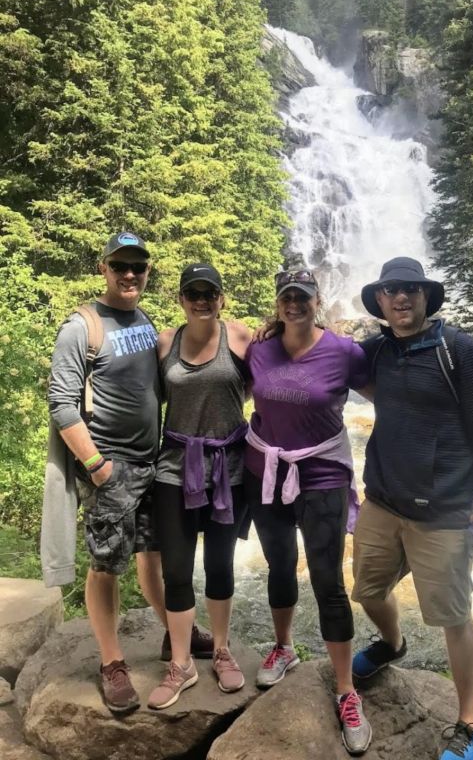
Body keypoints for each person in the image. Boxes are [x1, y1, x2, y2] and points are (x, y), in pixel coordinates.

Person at [46, 233, 212, 715]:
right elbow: (61, 402)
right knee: (106, 565)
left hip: (152, 461)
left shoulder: (142, 318)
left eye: (138, 267)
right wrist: (97, 467)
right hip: (110, 467)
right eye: (121, 265)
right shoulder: (82, 326)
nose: (130, 274)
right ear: (104, 267)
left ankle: (173, 632)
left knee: (152, 554)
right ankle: (112, 663)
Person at [352, 257, 473, 760]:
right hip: (381, 501)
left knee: (453, 616)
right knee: (368, 589)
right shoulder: (375, 351)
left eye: (411, 290)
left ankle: (469, 721)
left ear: (425, 298)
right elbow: (321, 357)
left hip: (443, 511)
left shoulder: (458, 351)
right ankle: (392, 644)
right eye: (392, 290)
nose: (401, 298)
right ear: (380, 300)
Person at [245, 269, 373, 756]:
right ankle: (285, 647)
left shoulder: (343, 351)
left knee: (326, 579)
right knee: (279, 564)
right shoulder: (259, 347)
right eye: (286, 297)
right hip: (265, 474)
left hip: (322, 478)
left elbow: (388, 395)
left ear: (317, 300)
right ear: (277, 304)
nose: (294, 304)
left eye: (302, 296)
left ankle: (345, 690)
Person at [147, 263, 252, 709]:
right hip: (173, 469)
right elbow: (141, 393)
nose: (202, 299)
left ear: (221, 298)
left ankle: (223, 650)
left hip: (229, 471)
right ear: (182, 300)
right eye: (194, 292)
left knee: (220, 565)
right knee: (175, 569)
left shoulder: (242, 338)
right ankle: (182, 664)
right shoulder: (165, 343)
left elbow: (271, 374)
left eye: (210, 292)